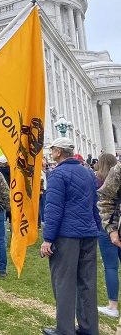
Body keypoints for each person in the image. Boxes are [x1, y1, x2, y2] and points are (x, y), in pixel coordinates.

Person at [40, 137, 101, 335]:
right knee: (87, 283)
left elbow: (53, 209)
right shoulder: (88, 172)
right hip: (88, 233)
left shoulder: (58, 174)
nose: (51, 153)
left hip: (67, 236)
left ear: (59, 152)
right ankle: (89, 328)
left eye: (53, 150)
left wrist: (48, 239)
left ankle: (64, 329)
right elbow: (94, 204)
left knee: (64, 283)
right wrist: (97, 228)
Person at [95, 153, 121, 320]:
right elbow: (104, 199)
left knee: (111, 267)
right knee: (110, 266)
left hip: (108, 224)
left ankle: (113, 305)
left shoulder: (96, 178)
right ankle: (112, 306)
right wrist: (112, 230)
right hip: (111, 225)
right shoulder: (116, 172)